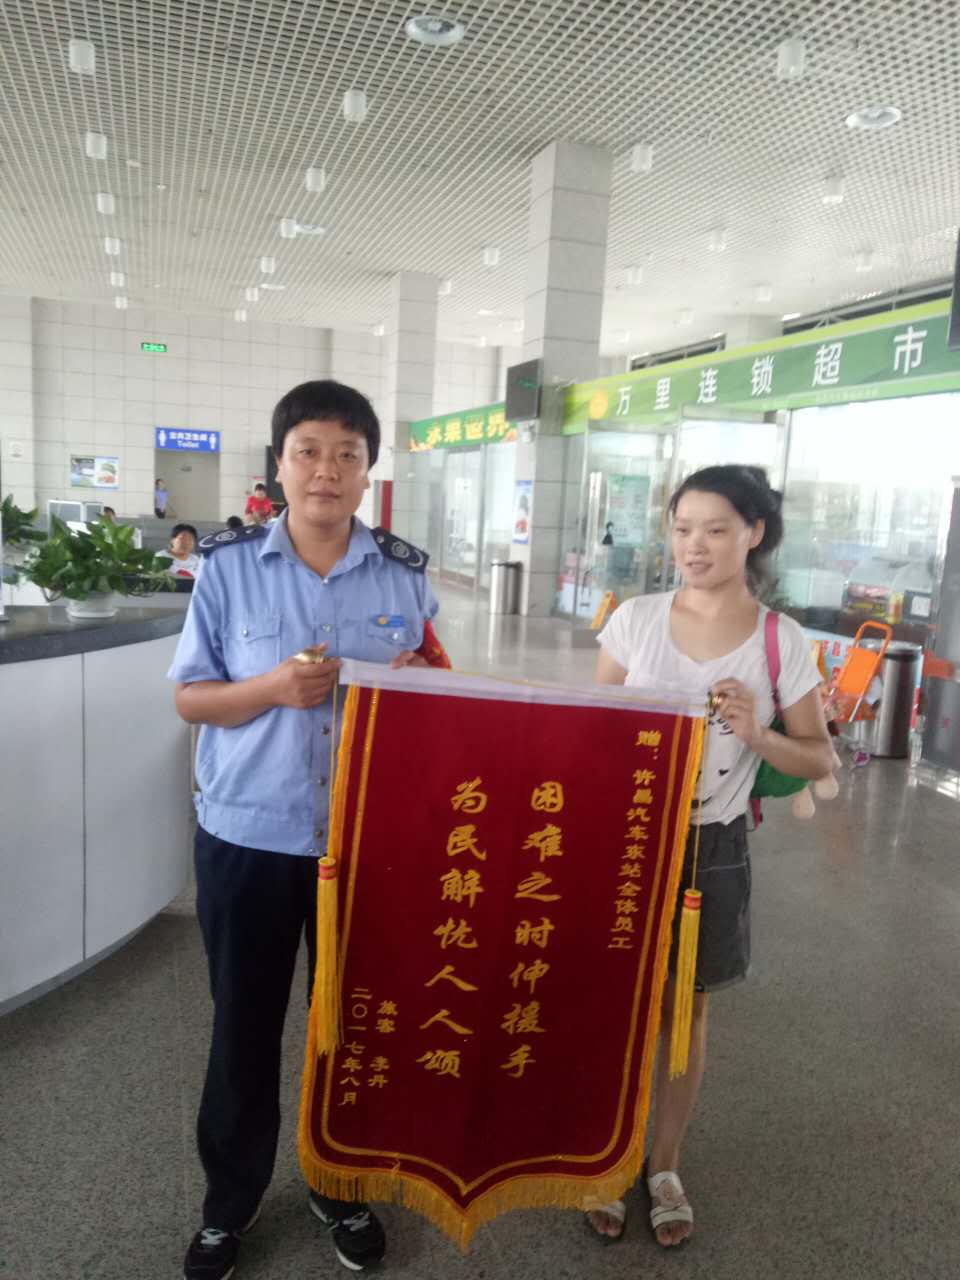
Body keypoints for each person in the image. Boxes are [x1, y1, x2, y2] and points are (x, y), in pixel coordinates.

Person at [168, 380, 438, 1280]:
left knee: (353, 1030)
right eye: (309, 451)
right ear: (279, 466)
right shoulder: (228, 567)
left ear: (368, 472)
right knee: (243, 1028)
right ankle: (228, 1204)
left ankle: (340, 1183)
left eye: (347, 455)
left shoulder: (403, 575)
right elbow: (190, 698)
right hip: (248, 836)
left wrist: (419, 689)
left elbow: (434, 694)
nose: (327, 470)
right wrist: (272, 689)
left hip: (366, 842)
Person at [588, 465, 832, 1248]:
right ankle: (609, 1155)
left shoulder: (779, 640)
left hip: (711, 846)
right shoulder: (635, 620)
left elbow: (819, 758)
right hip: (627, 839)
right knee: (618, 1004)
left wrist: (756, 733)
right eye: (683, 528)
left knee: (685, 1012)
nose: (694, 545)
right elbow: (590, 733)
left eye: (716, 529)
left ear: (754, 534)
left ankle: (663, 1163)